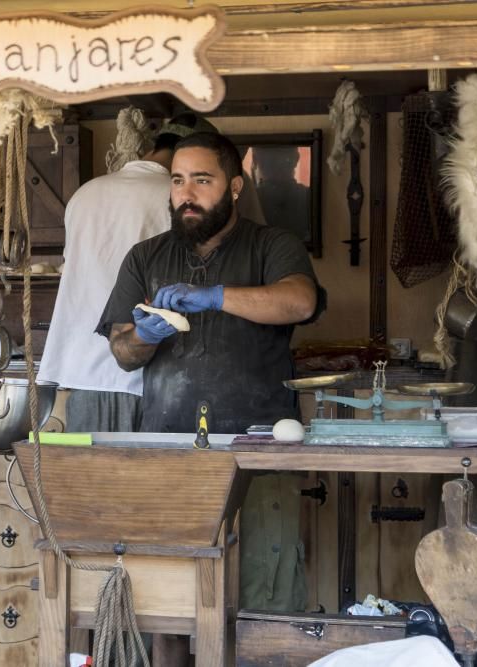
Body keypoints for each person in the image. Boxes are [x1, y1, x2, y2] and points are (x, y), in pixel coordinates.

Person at [97, 130, 324, 612]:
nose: (187, 194)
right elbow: (123, 351)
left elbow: (300, 301)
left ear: (235, 187)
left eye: (202, 180)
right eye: (179, 181)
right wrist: (145, 336)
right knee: (167, 601)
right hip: (167, 449)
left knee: (262, 595)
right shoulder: (146, 256)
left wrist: (218, 297)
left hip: (259, 449)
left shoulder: (271, 245)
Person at [38, 112, 263, 432]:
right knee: (157, 481)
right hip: (151, 376)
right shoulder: (182, 198)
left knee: (95, 481)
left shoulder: (85, 193)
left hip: (84, 374)